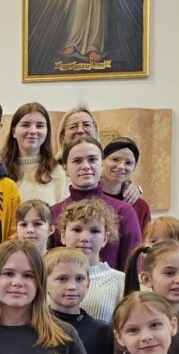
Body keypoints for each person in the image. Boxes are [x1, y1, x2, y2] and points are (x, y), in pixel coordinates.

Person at [50, 138, 142, 270]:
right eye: (77, 161)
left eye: (92, 159)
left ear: (102, 164)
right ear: (65, 168)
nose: (85, 166)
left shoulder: (123, 211)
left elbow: (133, 268)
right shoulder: (53, 213)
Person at [45, 248, 115, 354]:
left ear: (88, 284)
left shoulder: (103, 333)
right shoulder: (34, 327)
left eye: (79, 279)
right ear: (43, 283)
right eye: (62, 279)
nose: (72, 287)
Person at [58, 198, 125, 323]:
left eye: (94, 231)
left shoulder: (121, 281)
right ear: (63, 235)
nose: (85, 238)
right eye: (77, 230)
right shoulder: (47, 278)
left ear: (105, 238)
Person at [0, 102, 68, 205]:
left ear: (47, 132)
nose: (33, 131)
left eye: (39, 126)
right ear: (14, 132)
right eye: (25, 125)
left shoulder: (57, 172)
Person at [101, 138, 152, 233]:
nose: (121, 166)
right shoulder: (88, 199)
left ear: (134, 167)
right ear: (102, 161)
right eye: (115, 159)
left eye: (128, 163)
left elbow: (146, 240)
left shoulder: (141, 206)